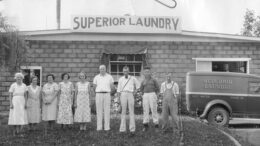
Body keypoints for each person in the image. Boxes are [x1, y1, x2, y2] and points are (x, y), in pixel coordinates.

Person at [117, 66, 139, 136]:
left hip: (130, 94)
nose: (125, 72)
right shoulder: (120, 79)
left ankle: (132, 129)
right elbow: (118, 90)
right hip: (123, 94)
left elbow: (138, 86)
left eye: (127, 71)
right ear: (123, 72)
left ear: (129, 71)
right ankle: (122, 129)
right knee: (123, 111)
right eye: (124, 71)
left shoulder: (133, 78)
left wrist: (135, 92)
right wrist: (118, 98)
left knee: (131, 111)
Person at [93, 65, 114, 131]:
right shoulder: (96, 77)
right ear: (99, 70)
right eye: (101, 69)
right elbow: (94, 87)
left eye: (103, 69)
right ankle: (99, 127)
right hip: (98, 94)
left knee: (107, 111)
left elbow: (112, 86)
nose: (102, 70)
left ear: (106, 69)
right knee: (99, 111)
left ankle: (107, 127)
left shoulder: (109, 77)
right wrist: (97, 92)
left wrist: (110, 93)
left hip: (107, 94)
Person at [139, 66, 160, 132]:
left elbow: (158, 88)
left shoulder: (154, 80)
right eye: (145, 72)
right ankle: (145, 125)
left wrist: (156, 95)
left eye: (148, 72)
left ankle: (156, 125)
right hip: (145, 95)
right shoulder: (143, 81)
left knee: (154, 109)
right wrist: (143, 95)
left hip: (152, 94)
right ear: (144, 73)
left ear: (150, 73)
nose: (147, 73)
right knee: (146, 110)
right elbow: (141, 89)